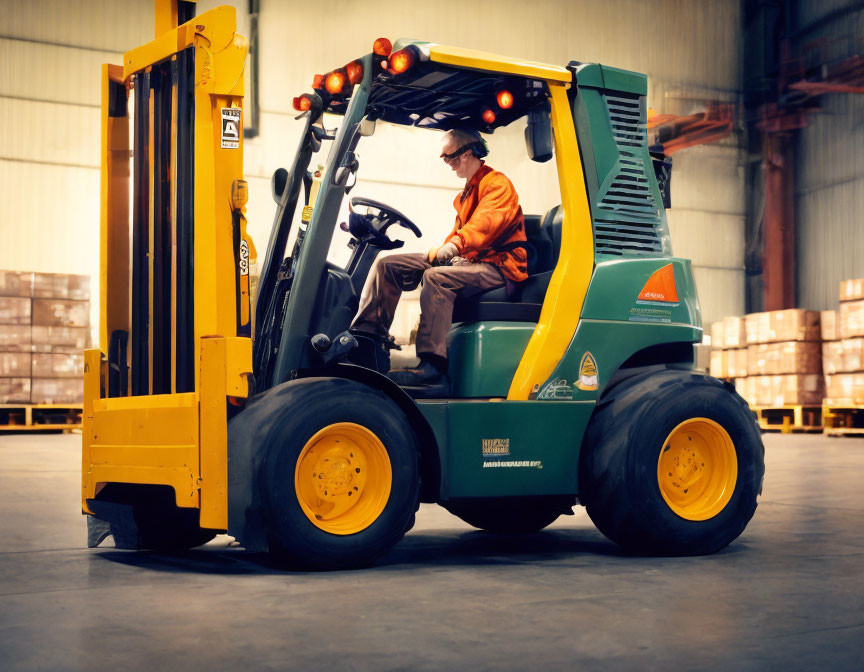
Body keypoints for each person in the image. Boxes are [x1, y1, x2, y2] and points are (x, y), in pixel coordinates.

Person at [351, 128, 528, 386]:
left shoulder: (497, 184)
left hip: (500, 266)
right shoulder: (466, 194)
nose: (449, 165)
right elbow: (458, 234)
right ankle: (367, 340)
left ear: (468, 153)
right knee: (389, 265)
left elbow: (486, 223)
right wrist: (450, 249)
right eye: (445, 160)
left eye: (452, 159)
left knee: (437, 278)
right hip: (472, 259)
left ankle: (433, 367)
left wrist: (455, 247)